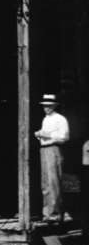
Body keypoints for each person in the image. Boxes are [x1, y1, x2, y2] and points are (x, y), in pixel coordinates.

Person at [34, 93, 70, 222]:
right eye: (44, 106)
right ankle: (47, 213)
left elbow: (64, 137)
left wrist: (47, 136)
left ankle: (55, 213)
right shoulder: (45, 119)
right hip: (44, 149)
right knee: (45, 183)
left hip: (54, 149)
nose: (46, 108)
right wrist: (39, 135)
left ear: (54, 106)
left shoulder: (60, 119)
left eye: (49, 106)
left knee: (53, 181)